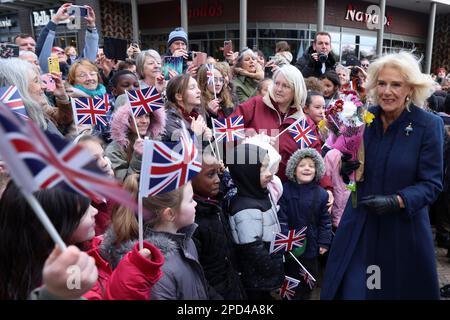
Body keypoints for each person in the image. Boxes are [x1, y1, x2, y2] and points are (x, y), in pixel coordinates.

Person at [321, 51, 444, 300]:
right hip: (361, 225)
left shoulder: (428, 126)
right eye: (382, 83)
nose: (387, 91)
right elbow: (354, 168)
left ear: (410, 87)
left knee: (389, 292)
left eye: (396, 84)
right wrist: (348, 170)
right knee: (356, 290)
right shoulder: (363, 118)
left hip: (402, 231)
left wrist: (397, 201)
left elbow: (432, 184)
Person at [0, 181, 98, 299]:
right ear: (55, 223)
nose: (95, 211)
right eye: (84, 212)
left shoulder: (88, 248)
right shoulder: (64, 274)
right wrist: (60, 294)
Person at [227, 143, 284, 300]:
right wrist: (275, 268)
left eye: (269, 167)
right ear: (246, 173)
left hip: (268, 271)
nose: (270, 174)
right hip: (258, 280)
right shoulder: (244, 209)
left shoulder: (260, 193)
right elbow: (253, 250)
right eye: (262, 169)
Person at [230, 65, 307, 182]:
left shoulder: (301, 120)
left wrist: (326, 187)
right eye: (277, 83)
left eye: (285, 86)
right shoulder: (255, 104)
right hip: (250, 184)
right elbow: (226, 132)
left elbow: (313, 156)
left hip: (286, 189)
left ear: (296, 90)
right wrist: (253, 140)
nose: (278, 89)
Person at [278, 148, 332, 299]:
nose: (307, 168)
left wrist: (324, 242)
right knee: (290, 277)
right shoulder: (285, 190)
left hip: (311, 245)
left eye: (311, 165)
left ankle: (306, 294)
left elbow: (324, 221)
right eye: (302, 165)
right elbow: (281, 218)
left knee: (308, 276)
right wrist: (285, 238)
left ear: (317, 171)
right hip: (291, 247)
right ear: (294, 170)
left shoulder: (321, 194)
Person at [192, 153, 247, 300]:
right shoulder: (192, 223)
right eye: (211, 175)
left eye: (218, 173)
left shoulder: (215, 204)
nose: (217, 180)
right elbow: (195, 275)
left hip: (231, 284)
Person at [0, 58, 72, 137]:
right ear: (20, 87)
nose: (44, 86)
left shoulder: (39, 107)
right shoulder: (11, 130)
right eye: (36, 81)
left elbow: (63, 120)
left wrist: (63, 99)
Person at [105, 97, 166, 182]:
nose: (145, 121)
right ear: (124, 120)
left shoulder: (154, 140)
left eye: (147, 116)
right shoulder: (114, 150)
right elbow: (125, 186)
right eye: (138, 116)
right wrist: (137, 157)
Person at [162, 74, 212, 142]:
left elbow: (202, 150)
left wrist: (206, 138)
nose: (199, 91)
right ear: (179, 96)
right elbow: (180, 149)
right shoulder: (169, 119)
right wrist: (195, 133)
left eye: (197, 87)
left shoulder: (197, 114)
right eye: (192, 88)